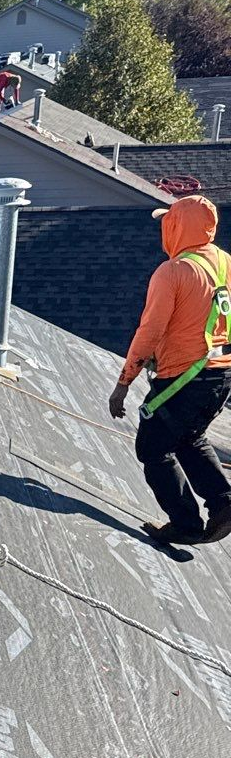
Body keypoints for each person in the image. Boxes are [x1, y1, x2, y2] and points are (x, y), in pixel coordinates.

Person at [109, 193, 231, 546]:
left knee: (152, 448)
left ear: (177, 226)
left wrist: (123, 383)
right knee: (189, 438)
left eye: (168, 222)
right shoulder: (224, 263)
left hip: (184, 378)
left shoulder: (174, 271)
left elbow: (150, 330)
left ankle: (186, 524)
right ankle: (224, 504)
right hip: (219, 375)